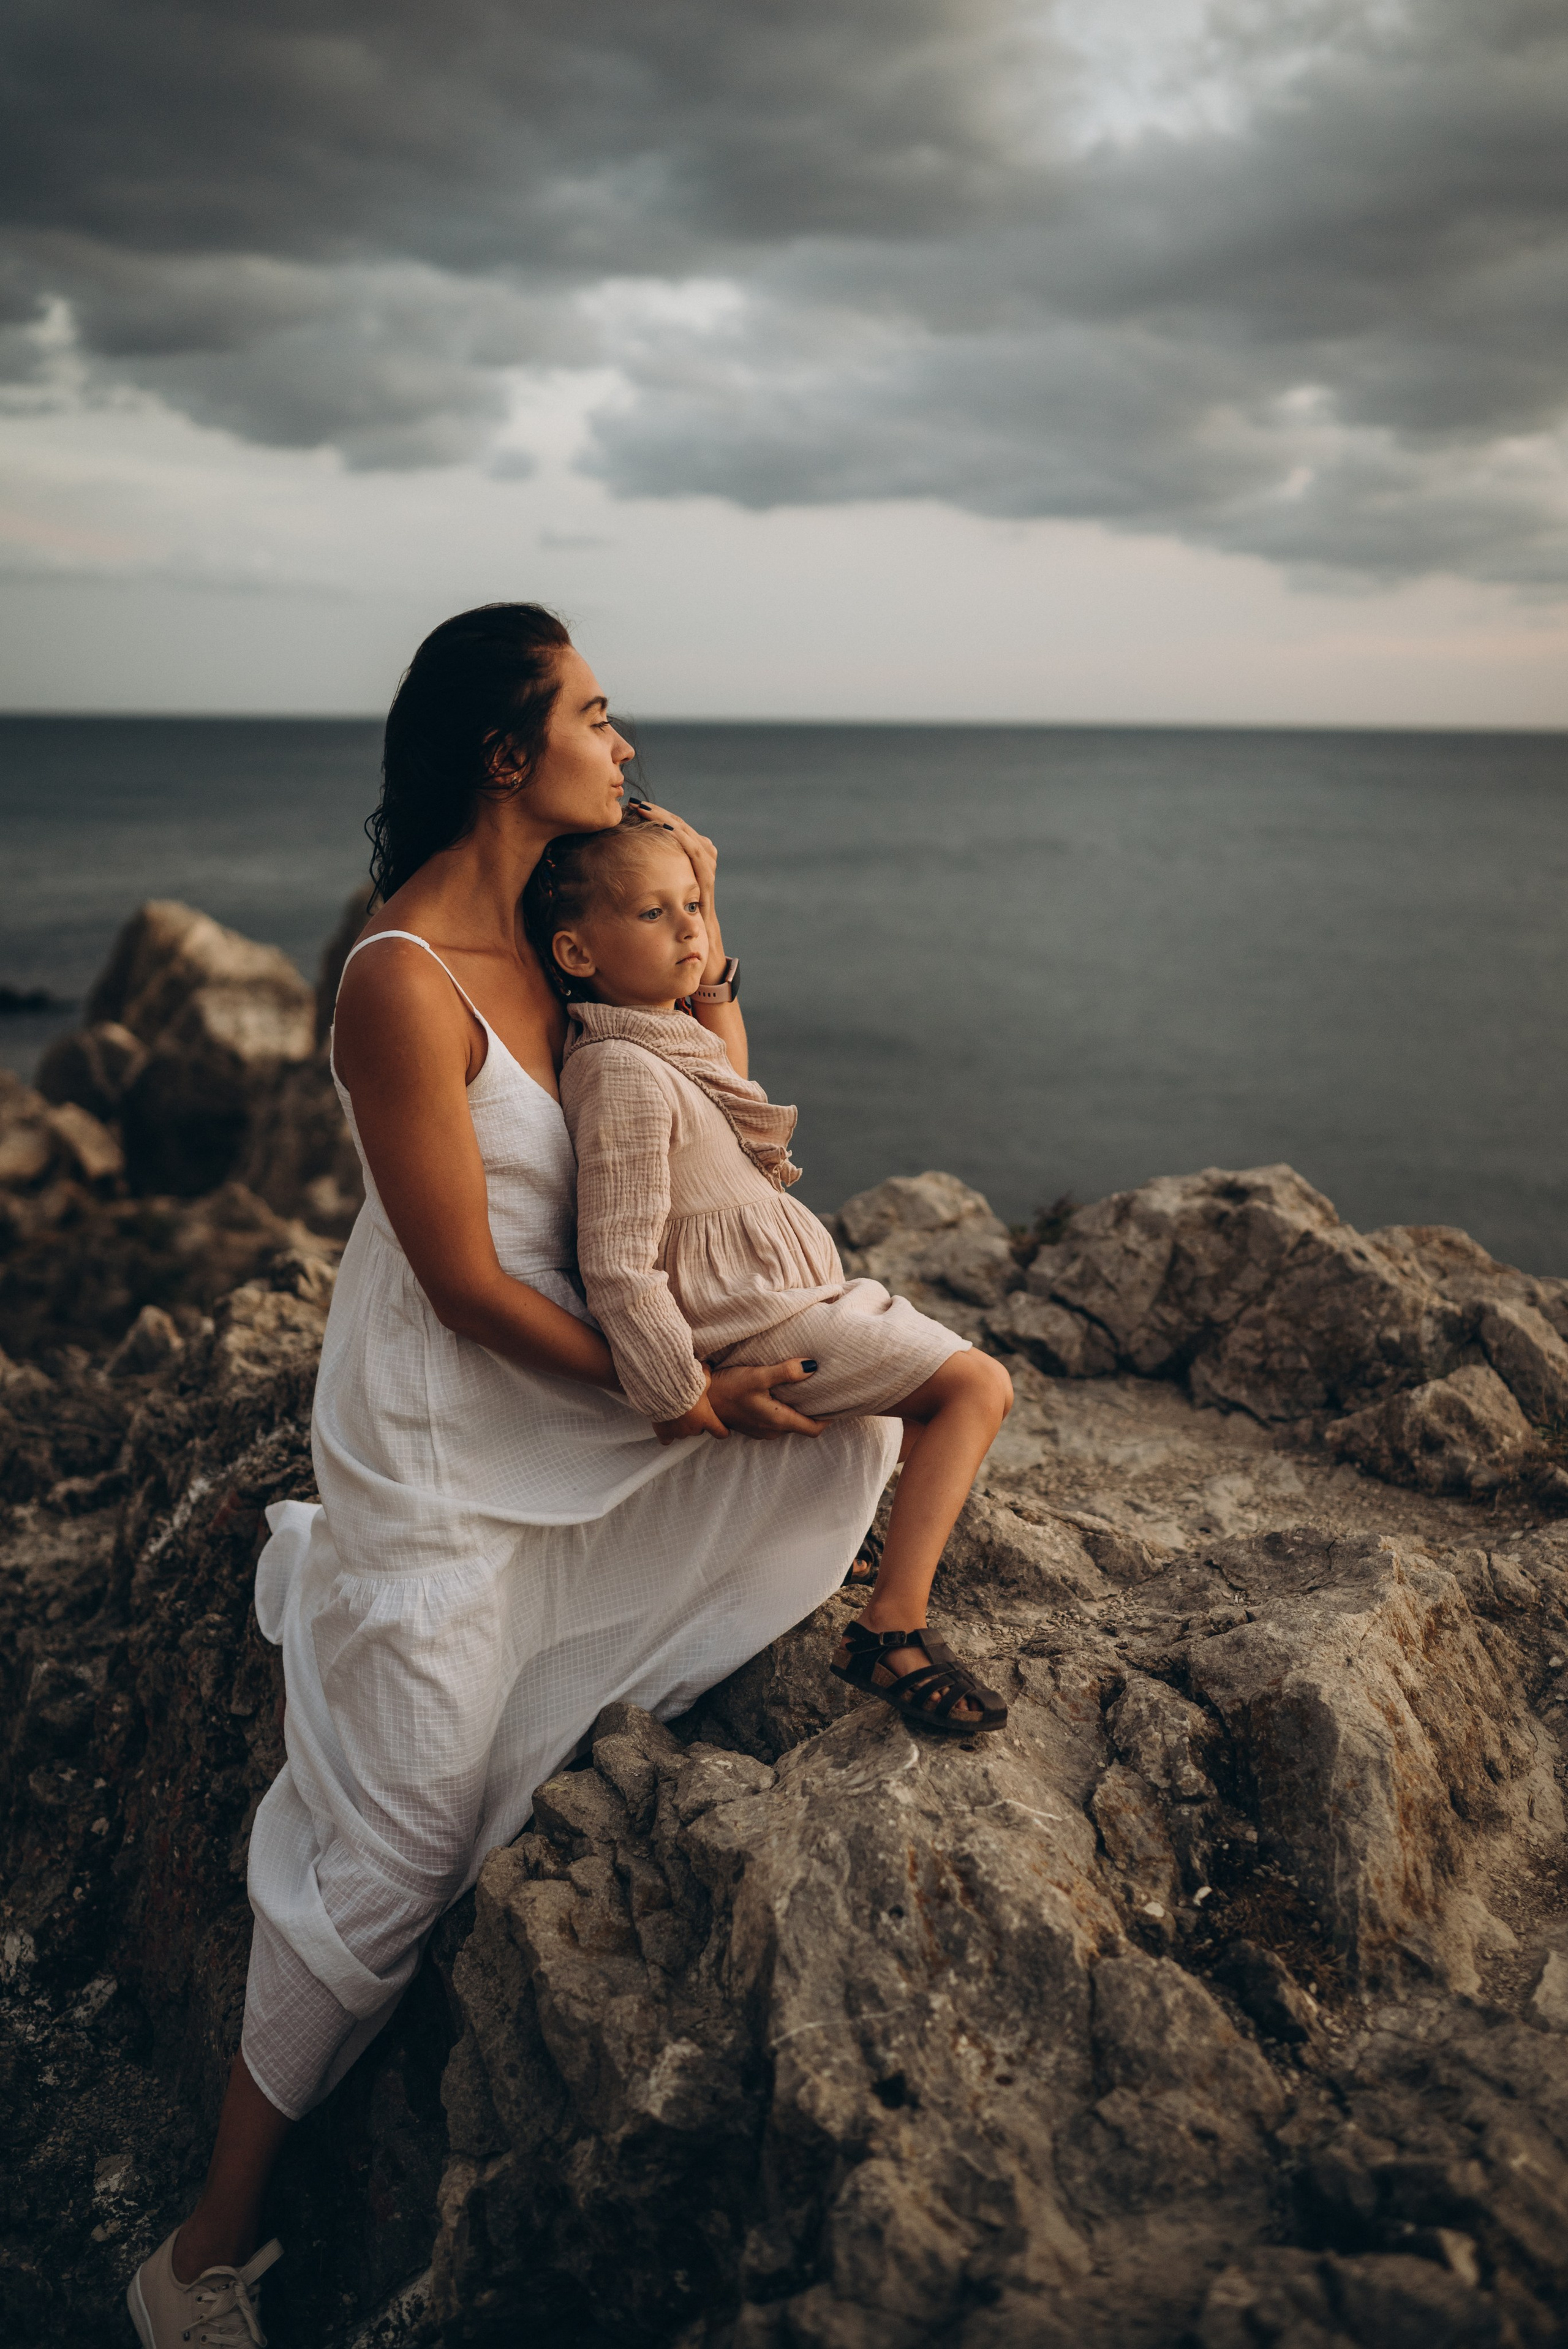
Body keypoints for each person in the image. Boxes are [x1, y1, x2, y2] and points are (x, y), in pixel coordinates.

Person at [127, 604, 907, 2349]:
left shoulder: (574, 954)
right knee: (398, 1855)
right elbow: (469, 1288)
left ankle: (536, 1680)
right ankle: (196, 2256)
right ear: (508, 754)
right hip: (440, 1434)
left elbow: (726, 1131)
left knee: (850, 1421)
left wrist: (707, 945)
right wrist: (687, 1395)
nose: (625, 744)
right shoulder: (397, 979)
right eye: (596, 716)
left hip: (583, 1399)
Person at [528, 818, 1014, 1735]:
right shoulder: (618, 1073)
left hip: (791, 1299)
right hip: (749, 1324)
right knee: (974, 1387)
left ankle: (864, 1549)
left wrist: (706, 915)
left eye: (695, 910)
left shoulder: (659, 1037)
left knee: (937, 1397)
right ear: (576, 950)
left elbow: (732, 1086)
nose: (690, 930)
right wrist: (683, 1394)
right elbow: (619, 1263)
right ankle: (890, 1629)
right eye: (654, 912)